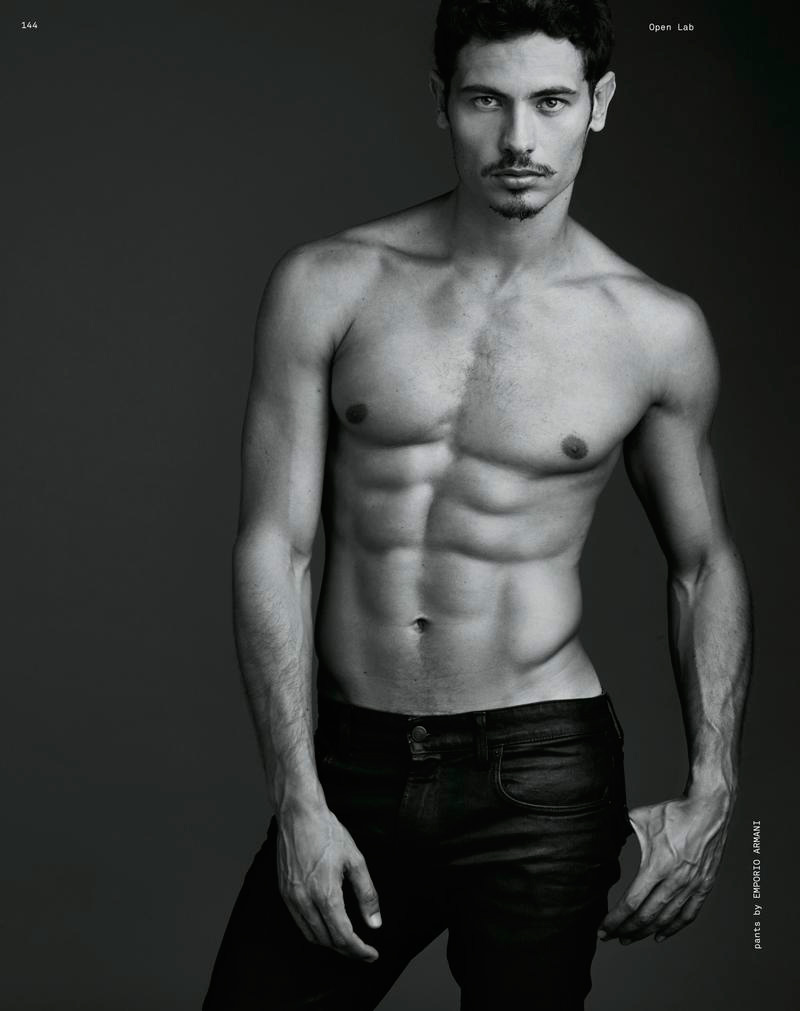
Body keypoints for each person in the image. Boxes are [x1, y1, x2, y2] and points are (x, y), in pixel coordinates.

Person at [202, 1, 752, 1007]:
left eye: (550, 102)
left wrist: (713, 784)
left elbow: (702, 561)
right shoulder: (329, 285)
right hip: (355, 761)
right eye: (485, 101)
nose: (517, 139)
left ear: (599, 103)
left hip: (540, 773)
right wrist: (297, 795)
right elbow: (274, 546)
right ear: (442, 103)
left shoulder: (653, 329)